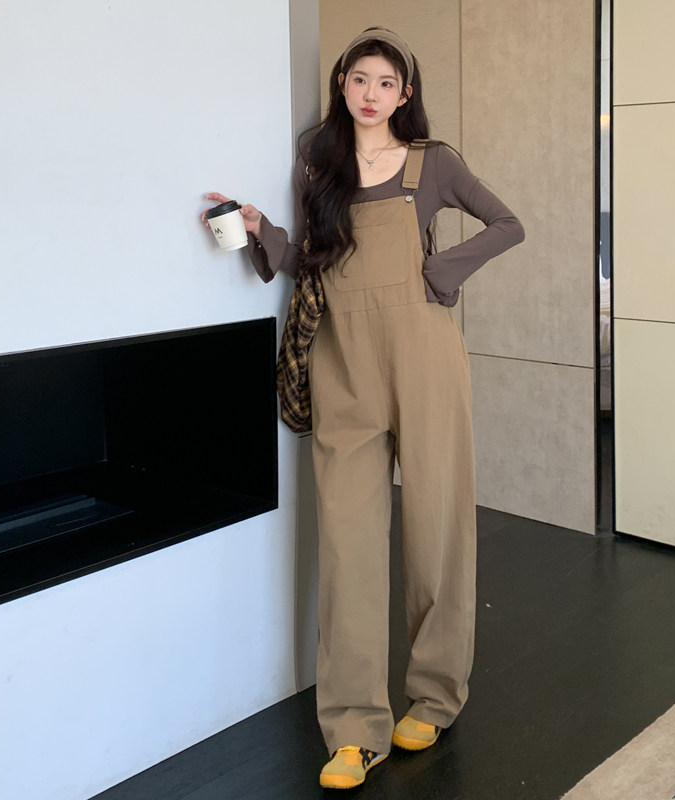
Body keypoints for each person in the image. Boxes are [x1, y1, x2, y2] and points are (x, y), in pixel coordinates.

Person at [203, 26, 524, 790]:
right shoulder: (319, 162)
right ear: (342, 84)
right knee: (347, 546)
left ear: (404, 93)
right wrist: (262, 232)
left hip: (424, 360)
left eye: (385, 82)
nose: (371, 93)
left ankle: (435, 698)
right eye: (359, 79)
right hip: (340, 362)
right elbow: (310, 262)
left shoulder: (432, 162)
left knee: (435, 529)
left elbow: (507, 224)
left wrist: (440, 272)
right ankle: (353, 729)